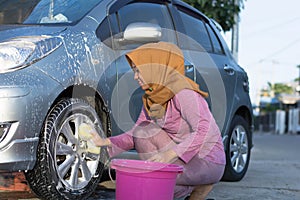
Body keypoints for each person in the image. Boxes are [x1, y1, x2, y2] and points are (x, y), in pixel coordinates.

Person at [88, 42, 226, 200]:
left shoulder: (184, 93)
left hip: (206, 160)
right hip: (180, 156)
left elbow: (205, 130)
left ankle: (199, 183)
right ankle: (192, 187)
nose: (135, 77)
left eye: (139, 71)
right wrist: (103, 142)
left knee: (150, 182)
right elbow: (135, 134)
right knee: (143, 131)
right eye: (134, 71)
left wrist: (170, 154)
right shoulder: (152, 98)